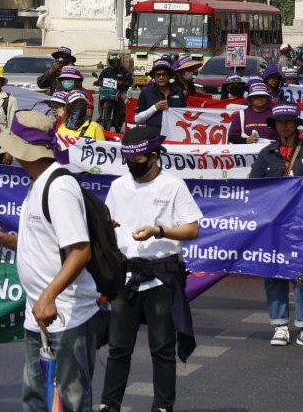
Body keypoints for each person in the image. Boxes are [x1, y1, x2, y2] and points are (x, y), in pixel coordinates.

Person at [0, 112, 101, 412]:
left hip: (66, 314)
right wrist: (3, 239)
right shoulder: (38, 183)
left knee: (69, 402)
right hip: (41, 316)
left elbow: (81, 251)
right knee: (36, 399)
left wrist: (48, 296)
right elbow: (41, 243)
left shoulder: (58, 188)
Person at [99, 127, 201, 412]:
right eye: (127, 159)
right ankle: (109, 404)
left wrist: (159, 231)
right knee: (118, 347)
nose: (132, 165)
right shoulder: (119, 186)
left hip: (162, 276)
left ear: (153, 156)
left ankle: (162, 406)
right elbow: (110, 223)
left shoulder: (173, 185)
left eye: (138, 159)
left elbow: (192, 229)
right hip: (126, 276)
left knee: (162, 349)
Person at [249, 102, 303, 348]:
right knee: (274, 273)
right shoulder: (266, 153)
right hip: (274, 226)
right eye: (279, 121)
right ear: (274, 125)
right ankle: (280, 326)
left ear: (297, 124)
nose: (284, 125)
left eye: (289, 121)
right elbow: (253, 186)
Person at [134, 59, 184, 134]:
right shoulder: (146, 92)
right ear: (153, 76)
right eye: (158, 74)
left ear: (169, 75)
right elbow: (137, 119)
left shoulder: (178, 91)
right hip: (153, 135)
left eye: (164, 74)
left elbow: (184, 114)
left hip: (176, 134)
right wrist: (155, 107)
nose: (161, 77)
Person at [94, 52, 133, 133]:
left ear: (119, 61)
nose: (115, 63)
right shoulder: (105, 71)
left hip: (120, 91)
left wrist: (125, 83)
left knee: (125, 99)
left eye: (116, 61)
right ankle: (101, 114)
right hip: (108, 91)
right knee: (100, 96)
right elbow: (100, 79)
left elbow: (129, 79)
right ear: (109, 62)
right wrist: (98, 82)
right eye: (113, 61)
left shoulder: (124, 71)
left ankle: (126, 115)